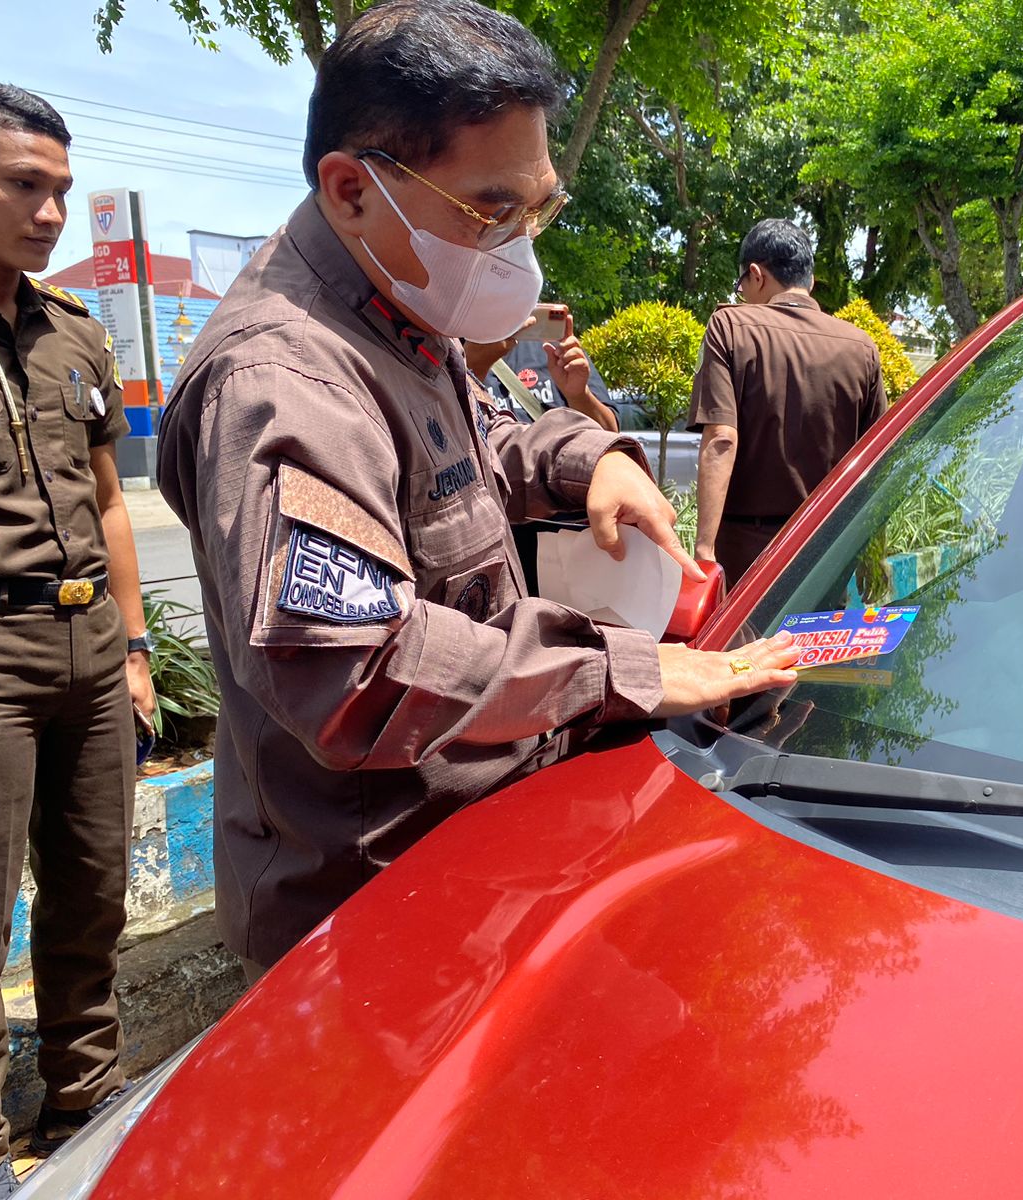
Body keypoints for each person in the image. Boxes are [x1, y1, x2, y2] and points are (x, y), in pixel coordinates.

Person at [157, 0, 798, 982]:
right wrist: (627, 673)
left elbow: (475, 442)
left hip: (471, 861)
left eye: (537, 208)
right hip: (365, 919)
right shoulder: (286, 381)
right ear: (350, 189)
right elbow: (351, 666)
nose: (519, 245)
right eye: (492, 210)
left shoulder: (401, 314)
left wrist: (589, 459)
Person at [0, 78, 157, 1199]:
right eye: (22, 184)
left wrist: (132, 646)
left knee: (93, 890)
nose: (50, 213)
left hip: (88, 648)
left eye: (62, 191)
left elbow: (113, 499)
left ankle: (87, 1091)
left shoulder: (73, 333)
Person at [688, 219, 888, 587]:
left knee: (746, 647)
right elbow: (876, 461)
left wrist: (703, 551)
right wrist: (871, 553)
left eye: (741, 285)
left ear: (756, 274)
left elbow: (721, 438)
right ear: (808, 281)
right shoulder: (861, 347)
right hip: (825, 555)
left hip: (746, 556)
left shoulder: (730, 327)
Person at [476, 315, 619, 431]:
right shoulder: (457, 352)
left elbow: (609, 432)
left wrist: (578, 395)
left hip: (559, 463)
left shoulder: (555, 348)